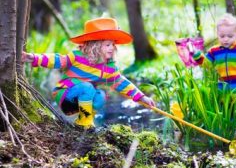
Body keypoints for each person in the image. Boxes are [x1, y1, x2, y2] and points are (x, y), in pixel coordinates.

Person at [22, 18, 156, 128]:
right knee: (87, 87)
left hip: (84, 98)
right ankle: (85, 124)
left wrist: (142, 97)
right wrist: (33, 57)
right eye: (107, 45)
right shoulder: (77, 56)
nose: (112, 48)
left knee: (101, 96)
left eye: (113, 45)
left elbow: (122, 84)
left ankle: (83, 120)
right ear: (95, 46)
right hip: (65, 95)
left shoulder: (109, 68)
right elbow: (58, 60)